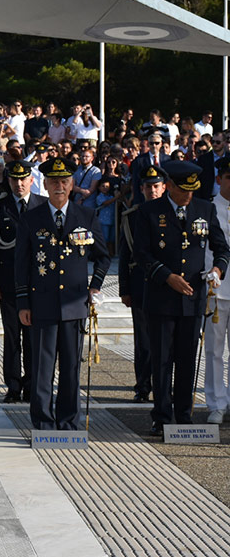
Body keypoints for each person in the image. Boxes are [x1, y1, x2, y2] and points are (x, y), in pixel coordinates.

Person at [15, 157, 111, 431]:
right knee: (42, 368)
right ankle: (43, 423)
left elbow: (103, 257)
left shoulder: (86, 217)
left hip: (74, 304)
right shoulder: (31, 218)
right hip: (41, 303)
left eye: (64, 181)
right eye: (53, 181)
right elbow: (21, 264)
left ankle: (69, 421)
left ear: (72, 185)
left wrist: (95, 286)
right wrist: (23, 301)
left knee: (70, 369)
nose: (59, 186)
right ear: (44, 184)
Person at [134, 161, 229, 435]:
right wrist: (166, 276)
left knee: (187, 359)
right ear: (171, 186)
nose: (189, 195)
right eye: (183, 190)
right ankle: (162, 416)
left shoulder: (204, 209)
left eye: (192, 189)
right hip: (162, 295)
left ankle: (184, 415)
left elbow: (221, 247)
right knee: (162, 359)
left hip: (194, 296)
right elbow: (141, 252)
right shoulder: (149, 211)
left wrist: (217, 268)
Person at [0, 160, 47, 402]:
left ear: (32, 180)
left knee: (33, 337)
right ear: (8, 181)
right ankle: (12, 386)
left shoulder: (43, 205)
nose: (19, 184)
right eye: (14, 179)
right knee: (12, 336)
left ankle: (32, 385)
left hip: (36, 283)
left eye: (23, 179)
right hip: (8, 282)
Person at [118, 166, 166, 405]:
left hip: (166, 284)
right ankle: (143, 385)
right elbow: (125, 255)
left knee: (165, 340)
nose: (153, 191)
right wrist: (124, 289)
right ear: (141, 189)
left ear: (164, 187)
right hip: (140, 284)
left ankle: (163, 385)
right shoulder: (131, 216)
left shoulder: (170, 214)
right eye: (148, 187)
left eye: (156, 186)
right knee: (143, 340)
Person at [204, 161, 230, 422]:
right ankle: (216, 403)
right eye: (228, 177)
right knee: (214, 350)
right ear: (220, 179)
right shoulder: (208, 207)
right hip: (216, 287)